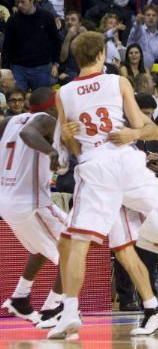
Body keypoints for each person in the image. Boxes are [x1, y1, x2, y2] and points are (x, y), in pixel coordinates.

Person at [47, 31, 158, 339]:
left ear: (76, 58)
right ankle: (153, 308)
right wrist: (130, 134)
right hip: (124, 162)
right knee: (124, 248)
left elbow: (71, 149)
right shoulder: (118, 82)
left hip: (96, 169)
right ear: (102, 54)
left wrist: (68, 136)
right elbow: (146, 128)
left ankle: (70, 312)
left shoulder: (63, 93)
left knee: (77, 242)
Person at [0, 88, 69, 327]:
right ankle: (53, 308)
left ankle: (20, 297)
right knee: (74, 245)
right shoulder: (46, 121)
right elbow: (28, 133)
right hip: (31, 202)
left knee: (41, 247)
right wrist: (50, 151)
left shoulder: (9, 120)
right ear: (52, 106)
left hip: (7, 201)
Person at [1, 0, 61, 91]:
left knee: (42, 101)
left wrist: (56, 63)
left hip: (42, 67)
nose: (19, 5)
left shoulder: (46, 17)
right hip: (18, 68)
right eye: (17, 2)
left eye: (23, 2)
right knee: (17, 99)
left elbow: (56, 41)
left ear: (32, 1)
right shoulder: (13, 20)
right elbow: (7, 47)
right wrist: (6, 69)